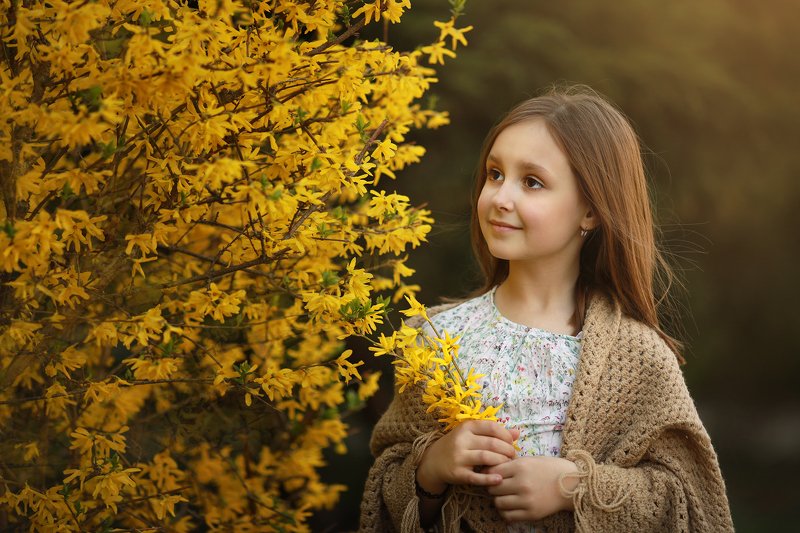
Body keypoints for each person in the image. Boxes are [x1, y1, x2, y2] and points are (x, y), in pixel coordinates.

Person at [359, 85, 733, 532]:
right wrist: (430, 469)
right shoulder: (437, 339)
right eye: (495, 174)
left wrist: (574, 486)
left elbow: (686, 500)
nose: (500, 197)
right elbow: (382, 497)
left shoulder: (638, 357)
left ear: (590, 211)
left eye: (532, 182)